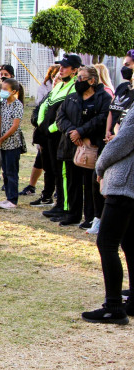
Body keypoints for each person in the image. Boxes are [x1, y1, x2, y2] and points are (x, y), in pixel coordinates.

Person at [81, 111, 134, 325]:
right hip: (129, 186)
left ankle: (113, 307)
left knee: (106, 243)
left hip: (124, 185)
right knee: (129, 242)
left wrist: (100, 166)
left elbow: (122, 142)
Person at [54, 65, 111, 228]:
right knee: (72, 182)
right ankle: (73, 214)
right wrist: (72, 132)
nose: (77, 81)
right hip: (71, 145)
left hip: (91, 146)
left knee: (90, 183)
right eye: (77, 77)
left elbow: (102, 118)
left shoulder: (103, 98)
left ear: (92, 81)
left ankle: (91, 217)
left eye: (81, 78)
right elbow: (61, 117)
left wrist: (82, 131)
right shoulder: (72, 97)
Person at [90, 50, 134, 234]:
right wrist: (110, 131)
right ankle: (98, 217)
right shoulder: (123, 88)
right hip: (114, 138)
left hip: (125, 174)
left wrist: (101, 166)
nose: (125, 68)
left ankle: (99, 220)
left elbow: (126, 138)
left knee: (107, 242)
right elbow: (112, 111)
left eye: (129, 65)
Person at [38, 54, 80, 216]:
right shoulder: (59, 85)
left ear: (74, 70)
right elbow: (46, 105)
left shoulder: (74, 87)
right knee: (55, 170)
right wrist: (42, 124)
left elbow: (66, 114)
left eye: (65, 67)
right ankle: (59, 204)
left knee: (64, 172)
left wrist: (52, 128)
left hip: (61, 135)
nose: (60, 70)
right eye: (60, 66)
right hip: (49, 135)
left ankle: (65, 206)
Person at [21, 64, 60, 197]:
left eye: (58, 78)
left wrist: (48, 129)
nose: (55, 80)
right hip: (43, 136)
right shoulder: (48, 94)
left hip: (54, 137)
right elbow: (38, 110)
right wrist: (37, 122)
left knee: (54, 167)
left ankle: (56, 193)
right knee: (44, 164)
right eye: (54, 77)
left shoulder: (64, 96)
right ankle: (44, 193)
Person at [0, 79, 25, 209]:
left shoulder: (17, 105)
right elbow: (0, 121)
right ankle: (8, 197)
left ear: (14, 92)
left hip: (12, 143)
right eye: (2, 89)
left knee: (12, 171)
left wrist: (3, 138)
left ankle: (13, 199)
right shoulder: (3, 103)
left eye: (6, 89)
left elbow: (15, 126)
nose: (3, 92)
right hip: (3, 143)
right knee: (5, 171)